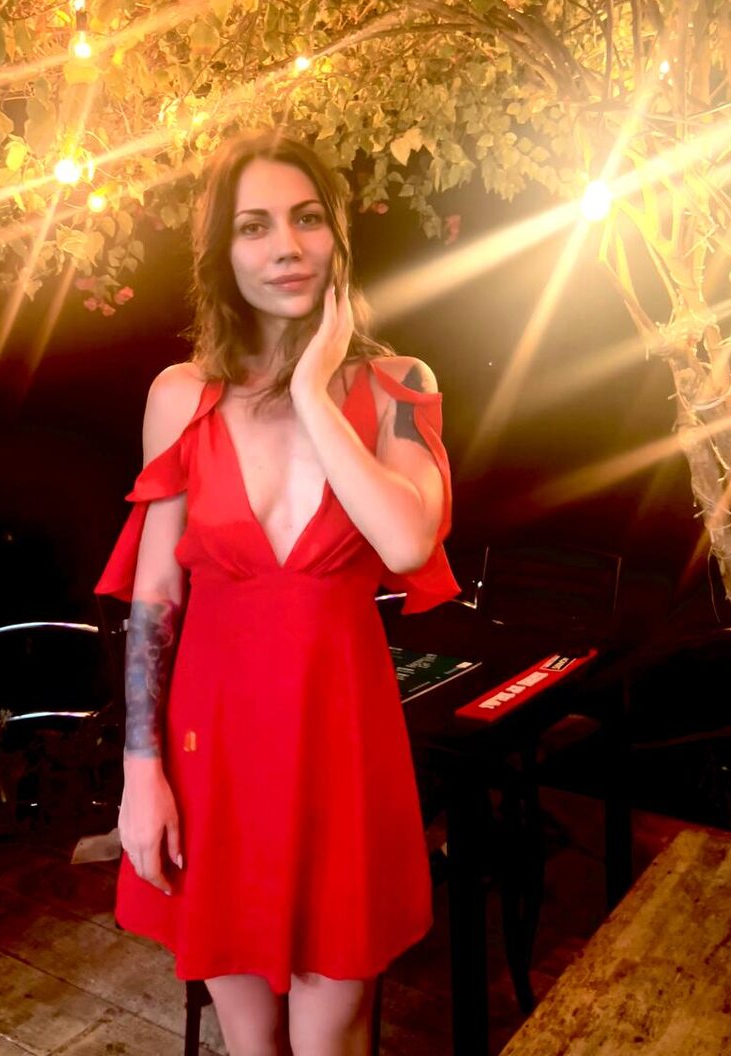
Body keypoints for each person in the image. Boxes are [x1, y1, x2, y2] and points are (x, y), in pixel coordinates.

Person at [96, 131, 460, 1056]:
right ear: (223, 253)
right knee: (249, 1042)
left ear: (337, 234)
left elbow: (408, 538)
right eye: (254, 227)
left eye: (306, 219)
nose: (286, 247)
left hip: (341, 743)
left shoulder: (399, 385)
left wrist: (311, 390)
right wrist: (140, 773)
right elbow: (154, 598)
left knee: (332, 1036)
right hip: (210, 750)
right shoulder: (181, 397)